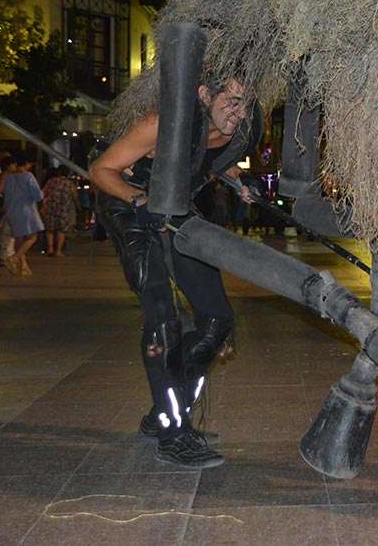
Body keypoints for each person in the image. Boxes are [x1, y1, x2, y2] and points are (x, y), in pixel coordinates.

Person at [90, 76, 260, 469]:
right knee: (163, 319)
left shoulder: (229, 134)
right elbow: (101, 170)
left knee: (218, 321)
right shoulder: (160, 123)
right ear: (203, 95)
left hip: (177, 208)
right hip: (129, 205)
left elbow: (206, 161)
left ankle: (167, 407)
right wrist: (139, 199)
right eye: (231, 102)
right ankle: (173, 432)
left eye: (244, 104)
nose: (238, 113)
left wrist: (237, 181)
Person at [2, 153, 43, 276]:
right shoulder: (28, 176)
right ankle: (14, 258)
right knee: (32, 237)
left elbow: (6, 196)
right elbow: (38, 196)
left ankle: (22, 267)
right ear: (27, 164)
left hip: (12, 211)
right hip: (27, 210)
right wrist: (42, 193)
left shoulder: (9, 177)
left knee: (19, 240)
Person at [41, 166, 79, 257]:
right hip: (63, 209)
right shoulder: (69, 184)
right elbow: (74, 196)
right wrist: (78, 206)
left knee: (49, 229)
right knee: (61, 230)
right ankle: (58, 251)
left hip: (50, 207)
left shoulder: (50, 181)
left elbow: (43, 193)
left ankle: (50, 249)